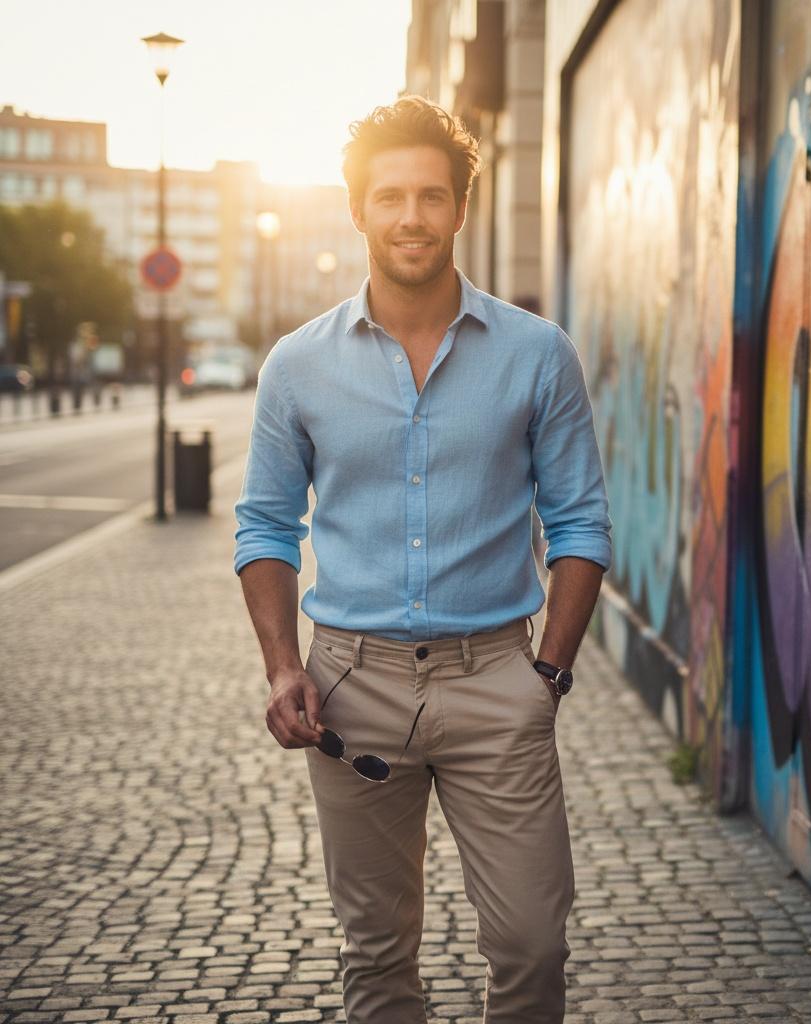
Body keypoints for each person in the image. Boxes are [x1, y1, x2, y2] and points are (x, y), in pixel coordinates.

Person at [234, 96, 612, 1024]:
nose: (412, 216)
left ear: (461, 207)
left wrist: (547, 675)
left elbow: (582, 525)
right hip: (350, 686)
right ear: (356, 208)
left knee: (532, 944)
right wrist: (285, 665)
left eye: (433, 196)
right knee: (377, 955)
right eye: (391, 196)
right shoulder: (296, 365)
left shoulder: (537, 355)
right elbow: (265, 527)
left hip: (497, 681)